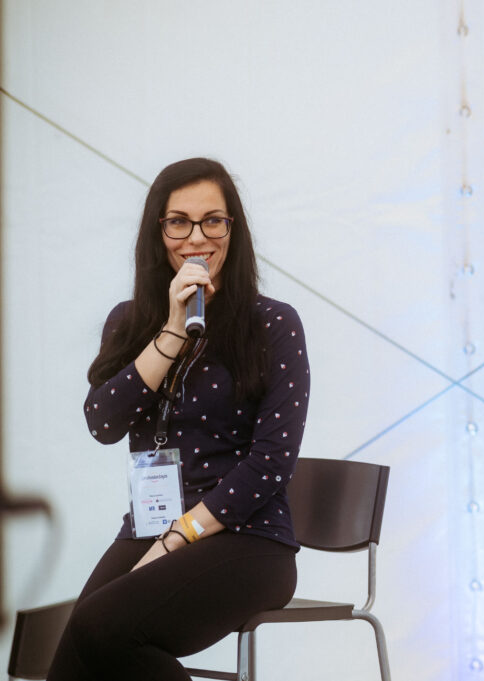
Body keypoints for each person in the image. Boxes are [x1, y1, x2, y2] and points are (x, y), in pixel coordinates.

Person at [48, 158, 311, 680]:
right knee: (72, 660)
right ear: (158, 232)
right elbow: (103, 422)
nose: (197, 237)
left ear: (233, 229)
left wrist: (178, 537)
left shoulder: (273, 324)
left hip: (248, 538)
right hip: (149, 526)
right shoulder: (130, 323)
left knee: (103, 631)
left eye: (213, 220)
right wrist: (170, 331)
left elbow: (271, 463)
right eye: (179, 221)